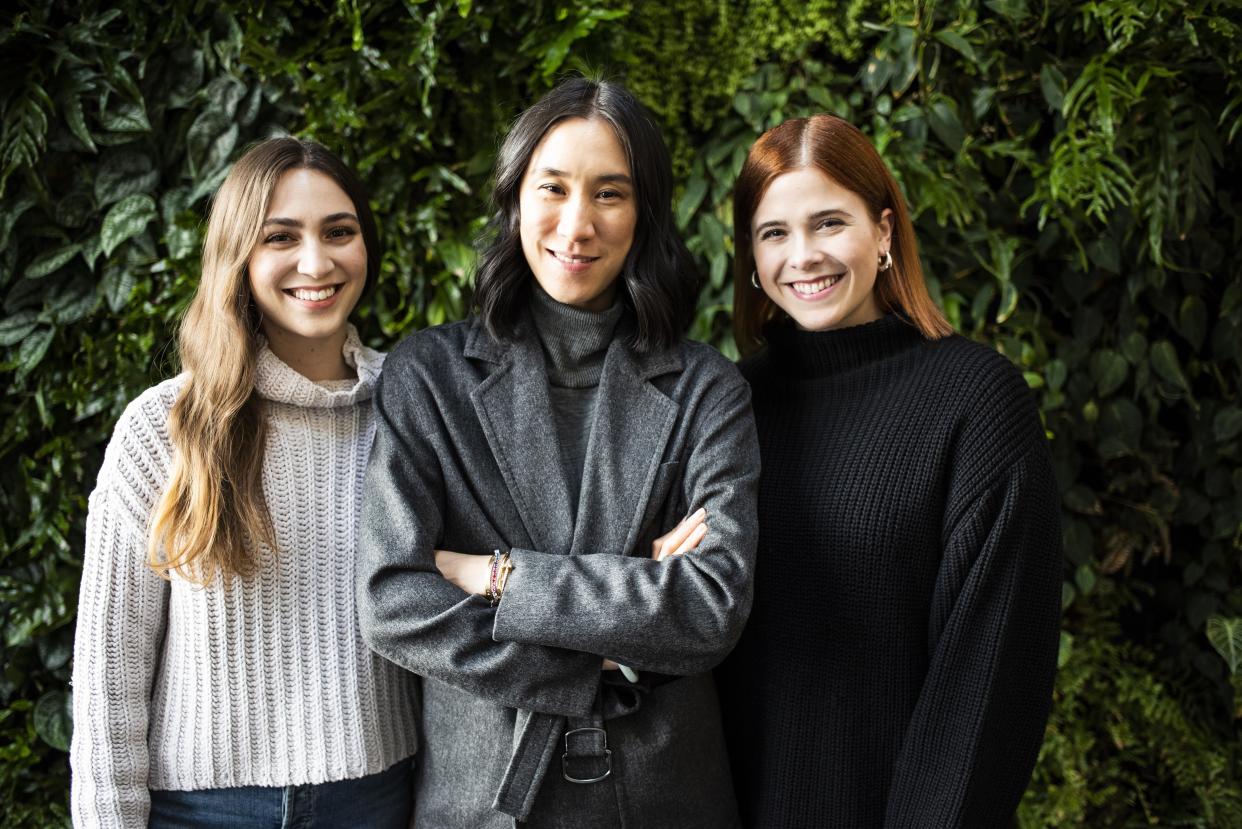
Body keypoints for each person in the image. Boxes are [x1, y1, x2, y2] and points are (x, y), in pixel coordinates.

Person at [356, 77, 759, 828]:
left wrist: (497, 575)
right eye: (553, 188)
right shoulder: (429, 376)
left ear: (644, 214)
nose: (577, 226)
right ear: (515, 200)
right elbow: (394, 600)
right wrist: (601, 656)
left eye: (610, 193)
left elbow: (710, 606)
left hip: (664, 799)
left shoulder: (708, 388)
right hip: (482, 803)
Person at [715, 114, 1063, 827]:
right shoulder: (722, 409)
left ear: (883, 231)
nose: (803, 255)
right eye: (774, 232)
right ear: (750, 255)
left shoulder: (974, 402)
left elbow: (987, 687)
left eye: (829, 223)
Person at [70, 138, 419, 828]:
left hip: (379, 800)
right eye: (279, 237)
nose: (316, 262)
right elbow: (109, 683)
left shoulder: (412, 410)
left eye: (339, 232)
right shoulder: (163, 428)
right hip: (201, 811)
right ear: (239, 256)